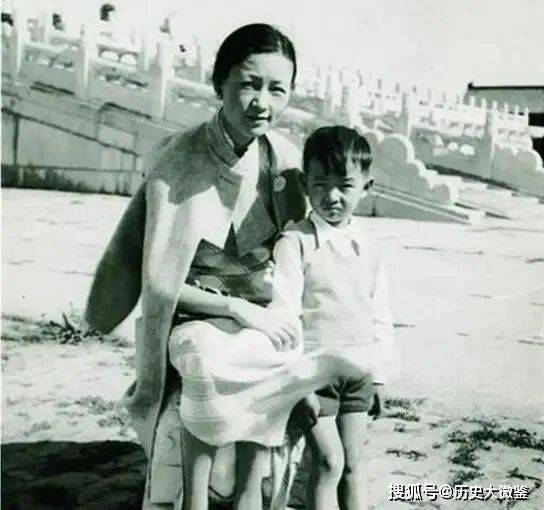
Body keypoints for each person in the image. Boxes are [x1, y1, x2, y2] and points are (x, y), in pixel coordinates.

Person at [85, 24, 369, 510]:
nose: (262, 102)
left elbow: (310, 253)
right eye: (249, 84)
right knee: (208, 359)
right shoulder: (179, 158)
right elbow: (161, 283)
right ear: (219, 84)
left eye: (277, 89)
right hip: (194, 316)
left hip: (263, 313)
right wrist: (236, 308)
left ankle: (248, 496)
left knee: (275, 357)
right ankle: (195, 499)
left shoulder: (285, 162)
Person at [268, 126, 395, 510]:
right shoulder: (295, 242)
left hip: (358, 373)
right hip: (313, 374)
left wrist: (379, 375)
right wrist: (299, 384)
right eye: (321, 185)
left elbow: (379, 313)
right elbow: (284, 314)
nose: (333, 196)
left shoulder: (369, 246)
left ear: (366, 187)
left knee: (353, 465)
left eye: (345, 186)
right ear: (305, 184)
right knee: (328, 462)